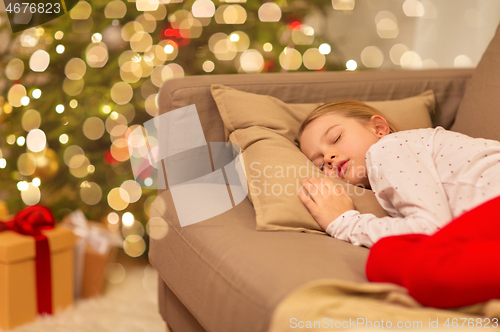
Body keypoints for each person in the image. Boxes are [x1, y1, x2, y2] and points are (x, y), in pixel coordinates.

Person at [296, 100, 500, 308]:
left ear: (380, 129)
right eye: (320, 165)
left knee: (388, 258)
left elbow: (428, 228)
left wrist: (344, 223)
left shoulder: (387, 148)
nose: (329, 158)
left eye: (336, 138)